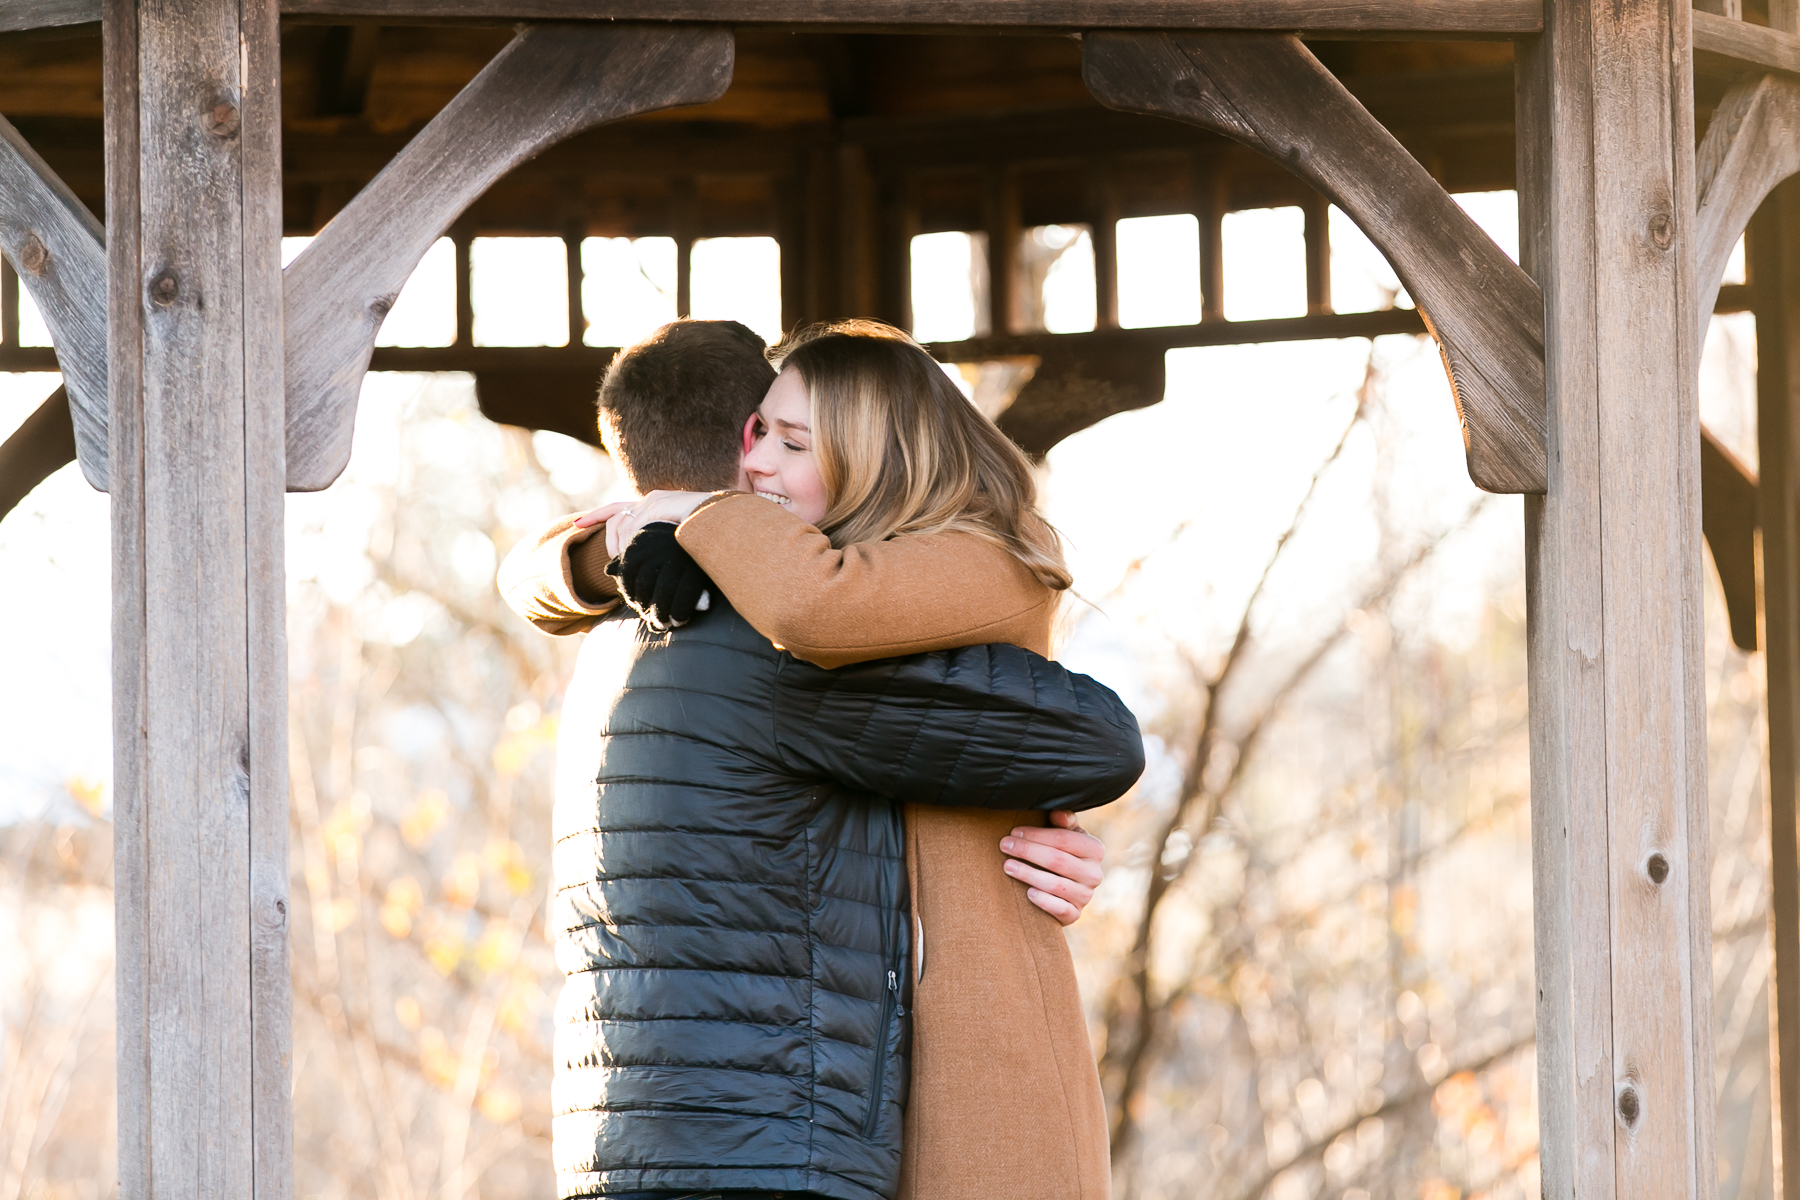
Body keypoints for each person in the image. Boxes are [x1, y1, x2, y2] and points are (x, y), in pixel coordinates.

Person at [497, 319, 1141, 1200]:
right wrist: (629, 538)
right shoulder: (734, 620)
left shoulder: (952, 571)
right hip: (810, 1119)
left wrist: (681, 516)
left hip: (937, 1067)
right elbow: (1087, 742)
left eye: (791, 440)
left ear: (876, 457)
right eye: (758, 435)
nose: (761, 463)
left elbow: (825, 608)